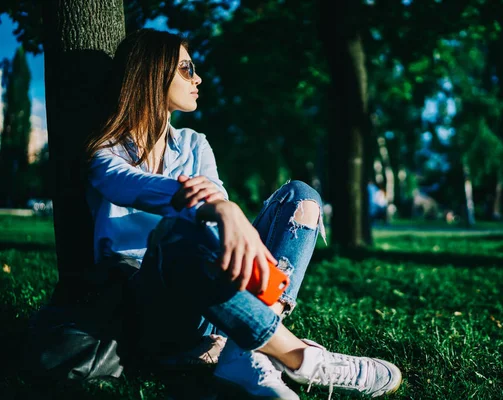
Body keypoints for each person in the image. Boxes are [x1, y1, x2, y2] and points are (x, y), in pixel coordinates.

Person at [84, 28, 401, 400]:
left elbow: (216, 198)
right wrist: (219, 207)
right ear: (153, 72)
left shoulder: (193, 143)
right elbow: (133, 187)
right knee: (175, 233)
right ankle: (299, 356)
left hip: (208, 300)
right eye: (186, 69)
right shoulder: (105, 152)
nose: (197, 78)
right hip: (147, 301)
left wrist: (224, 208)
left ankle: (241, 351)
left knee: (301, 197)